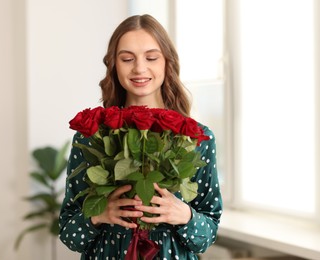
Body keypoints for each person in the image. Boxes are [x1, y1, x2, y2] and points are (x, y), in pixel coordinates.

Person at [59, 14, 222, 259]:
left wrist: (184, 215)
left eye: (151, 57)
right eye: (127, 58)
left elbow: (207, 235)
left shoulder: (196, 138)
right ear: (114, 64)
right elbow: (69, 233)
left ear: (167, 62)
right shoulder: (92, 136)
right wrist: (98, 215)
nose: (139, 68)